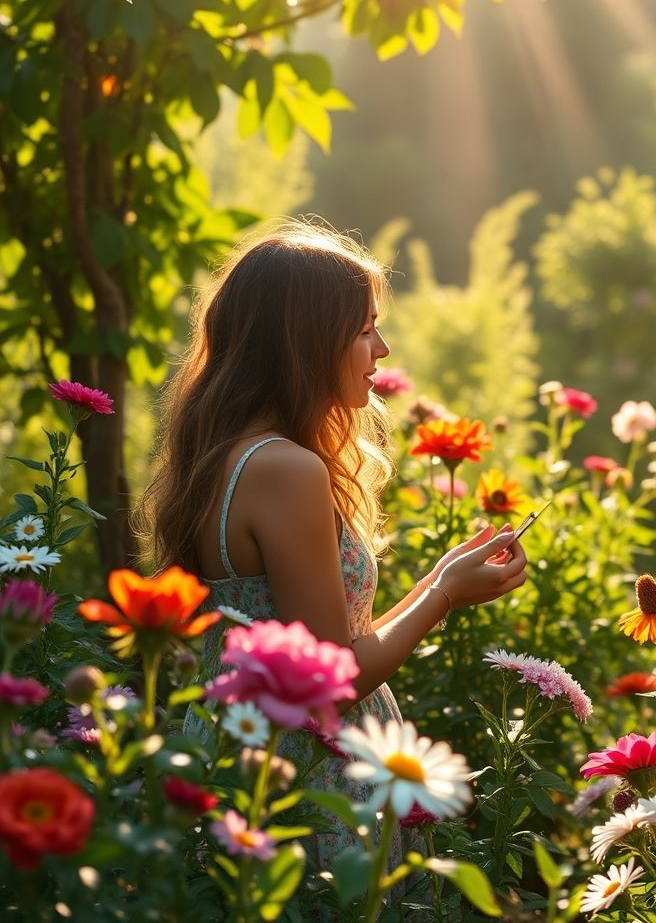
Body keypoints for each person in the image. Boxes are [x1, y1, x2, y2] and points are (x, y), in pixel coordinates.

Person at [136, 222, 528, 884]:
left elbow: (332, 636)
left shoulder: (229, 456)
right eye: (363, 328)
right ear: (305, 342)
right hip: (300, 783)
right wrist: (443, 597)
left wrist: (439, 575)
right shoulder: (286, 469)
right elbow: (332, 684)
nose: (382, 347)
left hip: (236, 759)